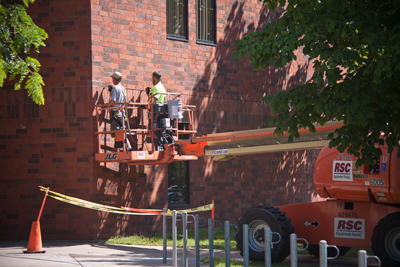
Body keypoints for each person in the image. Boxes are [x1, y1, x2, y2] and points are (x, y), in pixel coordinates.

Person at [108, 71, 132, 151]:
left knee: (117, 131)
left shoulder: (115, 88)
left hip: (116, 113)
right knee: (122, 131)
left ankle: (122, 148)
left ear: (114, 78)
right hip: (122, 113)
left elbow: (113, 101)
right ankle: (128, 147)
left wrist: (107, 105)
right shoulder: (123, 88)